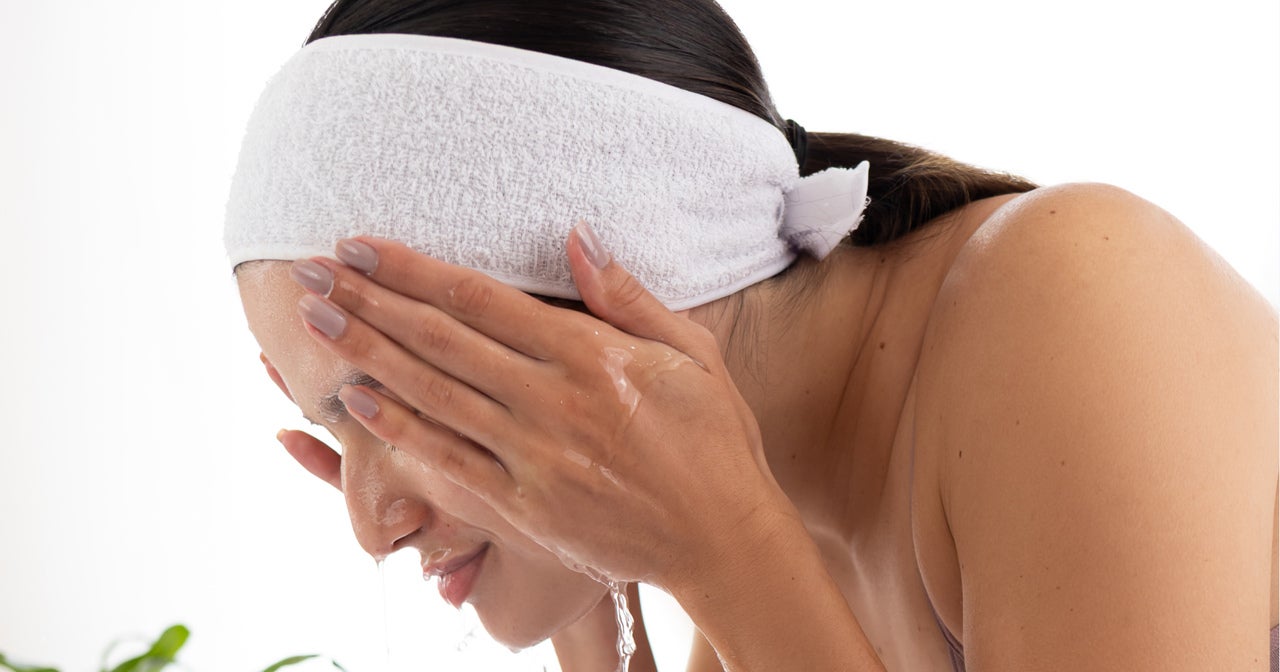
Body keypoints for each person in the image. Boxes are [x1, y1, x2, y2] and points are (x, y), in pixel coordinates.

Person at [226, 1, 1279, 670]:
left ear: (609, 281)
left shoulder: (1074, 286)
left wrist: (721, 550)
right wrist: (599, 626)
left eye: (388, 402)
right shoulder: (760, 571)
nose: (370, 526)